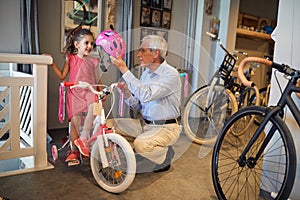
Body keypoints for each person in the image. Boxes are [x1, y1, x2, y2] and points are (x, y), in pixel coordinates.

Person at [108, 35, 182, 173]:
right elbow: (138, 106)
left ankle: (164, 155)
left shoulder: (171, 74)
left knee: (140, 144)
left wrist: (124, 70)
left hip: (166, 128)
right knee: (108, 126)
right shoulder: (146, 74)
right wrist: (127, 94)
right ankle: (148, 149)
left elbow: (146, 95)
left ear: (156, 53)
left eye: (143, 50)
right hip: (145, 125)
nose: (138, 54)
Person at [49, 28, 101, 162]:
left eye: (92, 44)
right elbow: (62, 75)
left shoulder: (94, 61)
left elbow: (97, 79)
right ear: (77, 45)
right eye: (86, 43)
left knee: (94, 108)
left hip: (89, 90)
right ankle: (74, 151)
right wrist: (52, 63)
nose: (90, 46)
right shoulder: (70, 59)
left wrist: (100, 91)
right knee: (75, 121)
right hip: (75, 94)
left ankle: (84, 138)